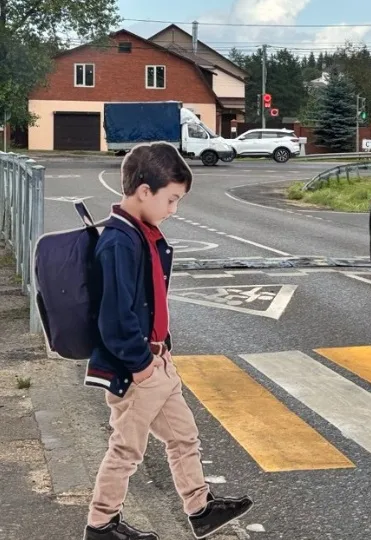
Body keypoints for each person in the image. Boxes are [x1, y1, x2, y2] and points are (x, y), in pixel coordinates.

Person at [84, 142, 253, 540]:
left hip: (158, 359)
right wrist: (143, 366)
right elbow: (115, 317)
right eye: (171, 199)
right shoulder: (119, 241)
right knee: (127, 448)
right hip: (136, 365)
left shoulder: (143, 233)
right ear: (145, 191)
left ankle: (200, 509)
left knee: (183, 436)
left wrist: (163, 354)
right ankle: (101, 524)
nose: (174, 209)